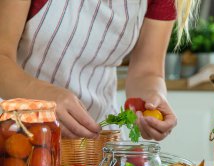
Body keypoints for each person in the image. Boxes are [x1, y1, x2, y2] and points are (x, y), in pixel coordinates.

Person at [0, 0, 198, 141]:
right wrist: (42, 96)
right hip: (17, 140)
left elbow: (147, 71)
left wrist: (153, 100)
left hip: (98, 146)